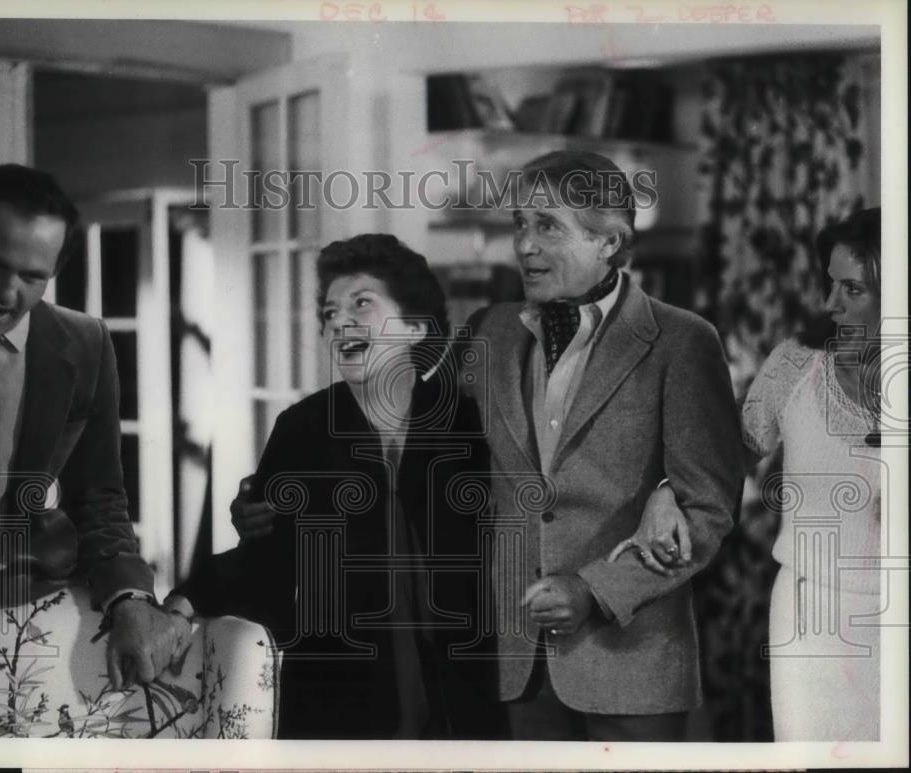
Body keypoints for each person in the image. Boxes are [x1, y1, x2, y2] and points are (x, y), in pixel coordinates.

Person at [166, 234, 503, 739]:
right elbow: (267, 562)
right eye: (329, 312)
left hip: (464, 686)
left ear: (414, 327)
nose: (338, 321)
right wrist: (183, 603)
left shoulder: (466, 423)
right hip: (341, 693)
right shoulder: (302, 428)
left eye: (361, 304)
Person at [462, 150, 744, 741]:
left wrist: (593, 589)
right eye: (519, 223)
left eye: (547, 225)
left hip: (633, 662)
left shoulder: (683, 341)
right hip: (521, 660)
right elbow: (427, 442)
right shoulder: (491, 330)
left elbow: (707, 507)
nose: (524, 244)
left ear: (608, 242)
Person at [0, 164, 190, 724]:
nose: (6, 293)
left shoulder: (86, 343)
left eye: (32, 276)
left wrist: (131, 597)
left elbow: (99, 495)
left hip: (27, 603)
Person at [618, 207, 883, 741]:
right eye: (830, 285)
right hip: (813, 619)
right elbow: (721, 457)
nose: (830, 304)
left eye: (851, 289)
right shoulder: (796, 365)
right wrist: (668, 492)